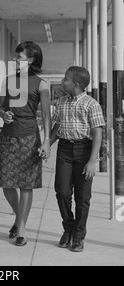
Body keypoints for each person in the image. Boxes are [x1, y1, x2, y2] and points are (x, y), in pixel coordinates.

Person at [0, 41, 51, 246]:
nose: (15, 60)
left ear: (30, 60)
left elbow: (46, 114)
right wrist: (4, 114)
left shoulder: (41, 83)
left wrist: (46, 141)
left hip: (30, 137)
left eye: (18, 57)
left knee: (26, 185)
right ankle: (19, 218)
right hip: (8, 136)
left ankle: (22, 229)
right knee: (7, 184)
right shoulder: (7, 80)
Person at [50, 66, 105, 252]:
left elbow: (98, 133)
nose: (62, 82)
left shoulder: (91, 104)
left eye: (65, 79)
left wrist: (92, 161)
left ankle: (79, 235)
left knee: (83, 197)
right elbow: (57, 128)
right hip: (64, 150)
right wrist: (46, 145)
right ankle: (68, 228)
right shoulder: (61, 102)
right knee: (62, 191)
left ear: (77, 84)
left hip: (84, 150)